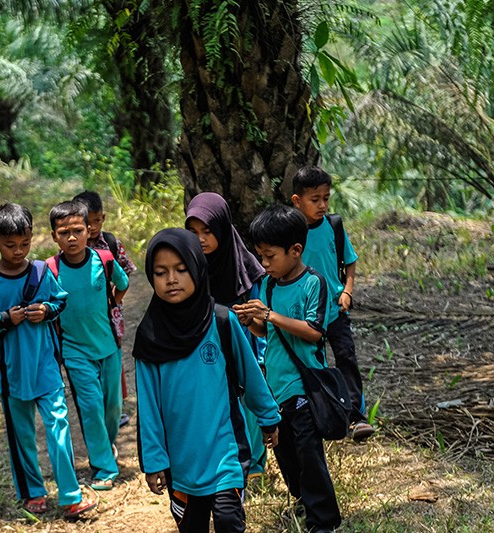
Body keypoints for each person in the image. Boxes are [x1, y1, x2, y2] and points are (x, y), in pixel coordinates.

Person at [133, 228, 280, 533]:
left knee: (229, 520)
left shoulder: (222, 321)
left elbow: (251, 375)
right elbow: (148, 407)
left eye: (181, 269)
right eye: (160, 272)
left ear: (197, 269)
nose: (171, 279)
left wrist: (268, 418)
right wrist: (154, 460)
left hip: (226, 451)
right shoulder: (150, 338)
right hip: (181, 465)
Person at [0, 203, 97, 519]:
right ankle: (32, 493)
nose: (19, 251)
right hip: (11, 374)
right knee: (22, 436)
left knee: (59, 427)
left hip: (46, 368)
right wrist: (4, 319)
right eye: (10, 245)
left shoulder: (40, 272)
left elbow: (59, 300)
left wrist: (46, 311)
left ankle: (71, 496)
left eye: (25, 243)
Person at [233, 204, 341, 533]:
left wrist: (270, 315)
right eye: (261, 257)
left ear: (295, 250)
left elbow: (314, 331)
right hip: (276, 386)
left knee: (309, 454)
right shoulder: (268, 286)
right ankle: (302, 501)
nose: (264, 264)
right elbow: (268, 333)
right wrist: (251, 321)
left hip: (305, 386)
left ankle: (323, 520)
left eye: (270, 256)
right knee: (286, 454)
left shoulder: (313, 283)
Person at [185, 192, 269, 480]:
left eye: (207, 231)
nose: (200, 239)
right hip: (207, 350)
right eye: (193, 232)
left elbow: (259, 314)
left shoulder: (246, 268)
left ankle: (255, 463)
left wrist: (260, 355)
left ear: (222, 228)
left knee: (249, 402)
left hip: (245, 346)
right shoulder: (188, 268)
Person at [47, 200, 129, 491]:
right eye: (64, 233)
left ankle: (106, 446)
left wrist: (113, 303)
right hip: (75, 351)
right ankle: (104, 466)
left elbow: (122, 284)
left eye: (78, 230)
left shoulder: (104, 260)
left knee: (113, 406)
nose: (72, 238)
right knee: (91, 406)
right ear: (54, 236)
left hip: (108, 346)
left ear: (88, 230)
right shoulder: (51, 269)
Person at [291, 166, 374, 442]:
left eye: (326, 198)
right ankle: (326, 413)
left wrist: (347, 291)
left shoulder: (333, 226)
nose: (322, 205)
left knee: (346, 356)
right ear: (297, 201)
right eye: (315, 199)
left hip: (335, 310)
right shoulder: (290, 234)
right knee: (316, 363)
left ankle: (356, 417)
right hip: (307, 315)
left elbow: (349, 261)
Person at [72, 190, 136, 428]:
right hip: (84, 320)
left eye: (97, 220)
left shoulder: (110, 243)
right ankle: (97, 408)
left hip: (109, 317)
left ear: (104, 218)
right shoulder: (72, 246)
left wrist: (115, 300)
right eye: (87, 222)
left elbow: (126, 273)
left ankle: (115, 406)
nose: (93, 227)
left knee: (113, 359)